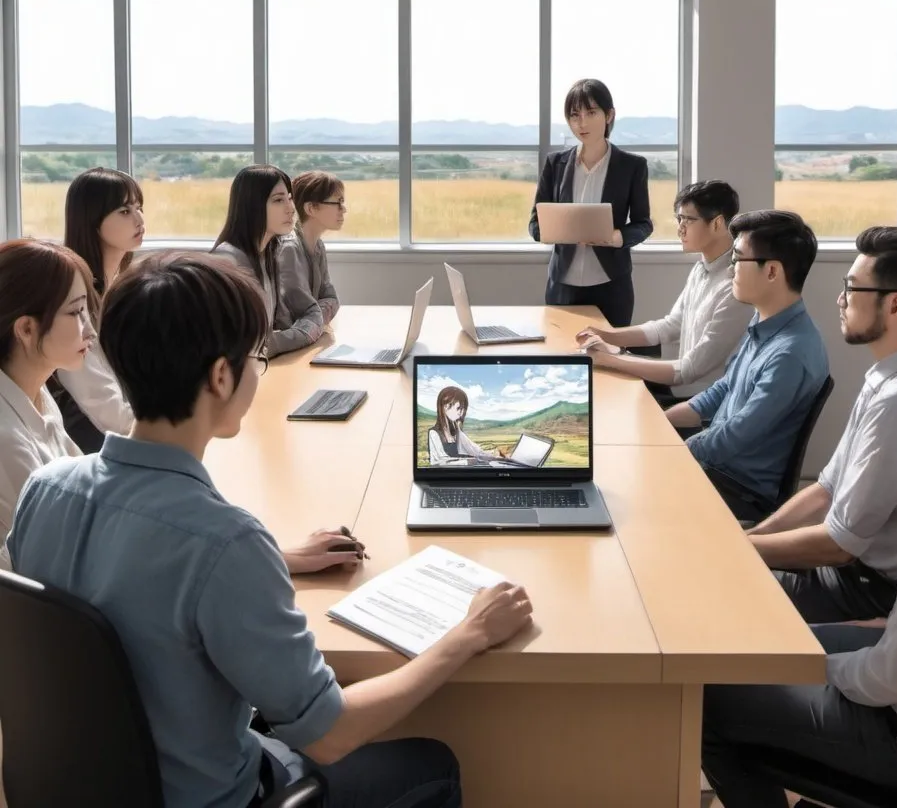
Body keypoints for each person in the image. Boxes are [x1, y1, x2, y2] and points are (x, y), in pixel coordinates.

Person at [7, 252, 533, 808]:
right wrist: (468, 633)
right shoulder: (226, 542)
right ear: (220, 376)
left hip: (79, 787)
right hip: (210, 797)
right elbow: (330, 734)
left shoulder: (45, 489)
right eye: (256, 358)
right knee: (433, 764)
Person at [701, 230, 897, 808]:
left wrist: (814, 663)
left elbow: (891, 677)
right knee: (745, 647)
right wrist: (882, 634)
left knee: (696, 687)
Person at [747, 226, 897, 623]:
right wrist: (751, 539)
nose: (840, 300)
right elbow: (825, 490)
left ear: (896, 306)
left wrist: (736, 552)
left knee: (713, 587)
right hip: (845, 570)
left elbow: (839, 545)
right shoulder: (887, 378)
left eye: (852, 289)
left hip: (866, 591)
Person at [667, 210, 829, 523]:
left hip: (737, 490)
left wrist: (673, 451)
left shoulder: (791, 354)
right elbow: (723, 389)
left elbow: (738, 435)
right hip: (718, 466)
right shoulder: (765, 320)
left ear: (771, 272)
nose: (730, 271)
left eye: (737, 260)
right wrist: (660, 423)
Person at [575, 180, 750, 407]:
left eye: (688, 220)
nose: (680, 229)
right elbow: (670, 326)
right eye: (679, 219)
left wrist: (611, 359)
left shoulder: (736, 285)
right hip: (680, 389)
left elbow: (688, 371)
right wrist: (607, 334)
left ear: (717, 223)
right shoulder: (702, 267)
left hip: (702, 404)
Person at [528, 79, 653, 327]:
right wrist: (554, 230)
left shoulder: (632, 166)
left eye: (591, 113)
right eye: (574, 115)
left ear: (609, 115)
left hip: (611, 286)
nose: (581, 123)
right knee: (563, 359)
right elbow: (535, 223)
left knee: (609, 360)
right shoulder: (556, 164)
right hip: (563, 286)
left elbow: (643, 224)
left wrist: (617, 237)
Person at [0, 238, 93, 568]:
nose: (90, 331)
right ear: (26, 328)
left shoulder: (34, 392)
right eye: (76, 312)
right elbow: (58, 550)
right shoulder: (6, 437)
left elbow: (83, 473)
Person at [48, 167, 140, 452]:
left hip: (126, 429)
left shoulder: (117, 284)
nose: (139, 219)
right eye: (124, 211)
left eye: (139, 208)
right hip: (93, 445)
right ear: (92, 220)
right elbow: (105, 408)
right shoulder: (73, 295)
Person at [213, 165, 322, 358]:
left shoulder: (270, 254)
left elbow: (311, 312)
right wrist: (283, 340)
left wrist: (276, 342)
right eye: (278, 200)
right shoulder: (229, 261)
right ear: (252, 205)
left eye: (289, 198)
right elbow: (244, 346)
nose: (290, 209)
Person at [277, 169, 343, 333]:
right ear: (311, 208)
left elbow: (332, 299)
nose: (344, 209)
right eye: (338, 202)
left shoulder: (318, 245)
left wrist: (314, 318)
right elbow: (300, 315)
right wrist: (314, 317)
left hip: (310, 336)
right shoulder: (289, 249)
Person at [427, 386, 507, 464]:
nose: (461, 413)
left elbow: (474, 450)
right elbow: (437, 462)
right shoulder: (434, 433)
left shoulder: (456, 432)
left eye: (463, 409)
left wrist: (493, 454)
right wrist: (467, 462)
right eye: (459, 408)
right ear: (446, 406)